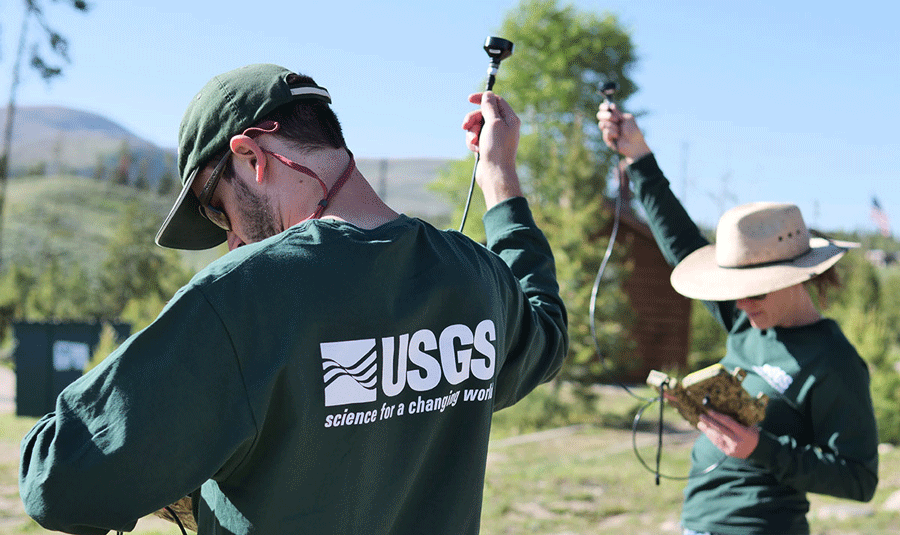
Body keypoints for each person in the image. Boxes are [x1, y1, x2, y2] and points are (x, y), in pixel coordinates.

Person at [19, 63, 568, 535]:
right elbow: (547, 333)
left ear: (251, 157)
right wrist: (499, 174)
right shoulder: (475, 276)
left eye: (216, 208)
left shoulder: (242, 295)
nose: (231, 239)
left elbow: (56, 479)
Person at [597, 102, 879, 535]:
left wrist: (759, 448)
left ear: (794, 278)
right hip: (699, 523)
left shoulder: (834, 362)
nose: (741, 305)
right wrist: (639, 157)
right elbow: (682, 244)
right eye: (734, 293)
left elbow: (859, 479)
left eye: (754, 292)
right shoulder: (750, 318)